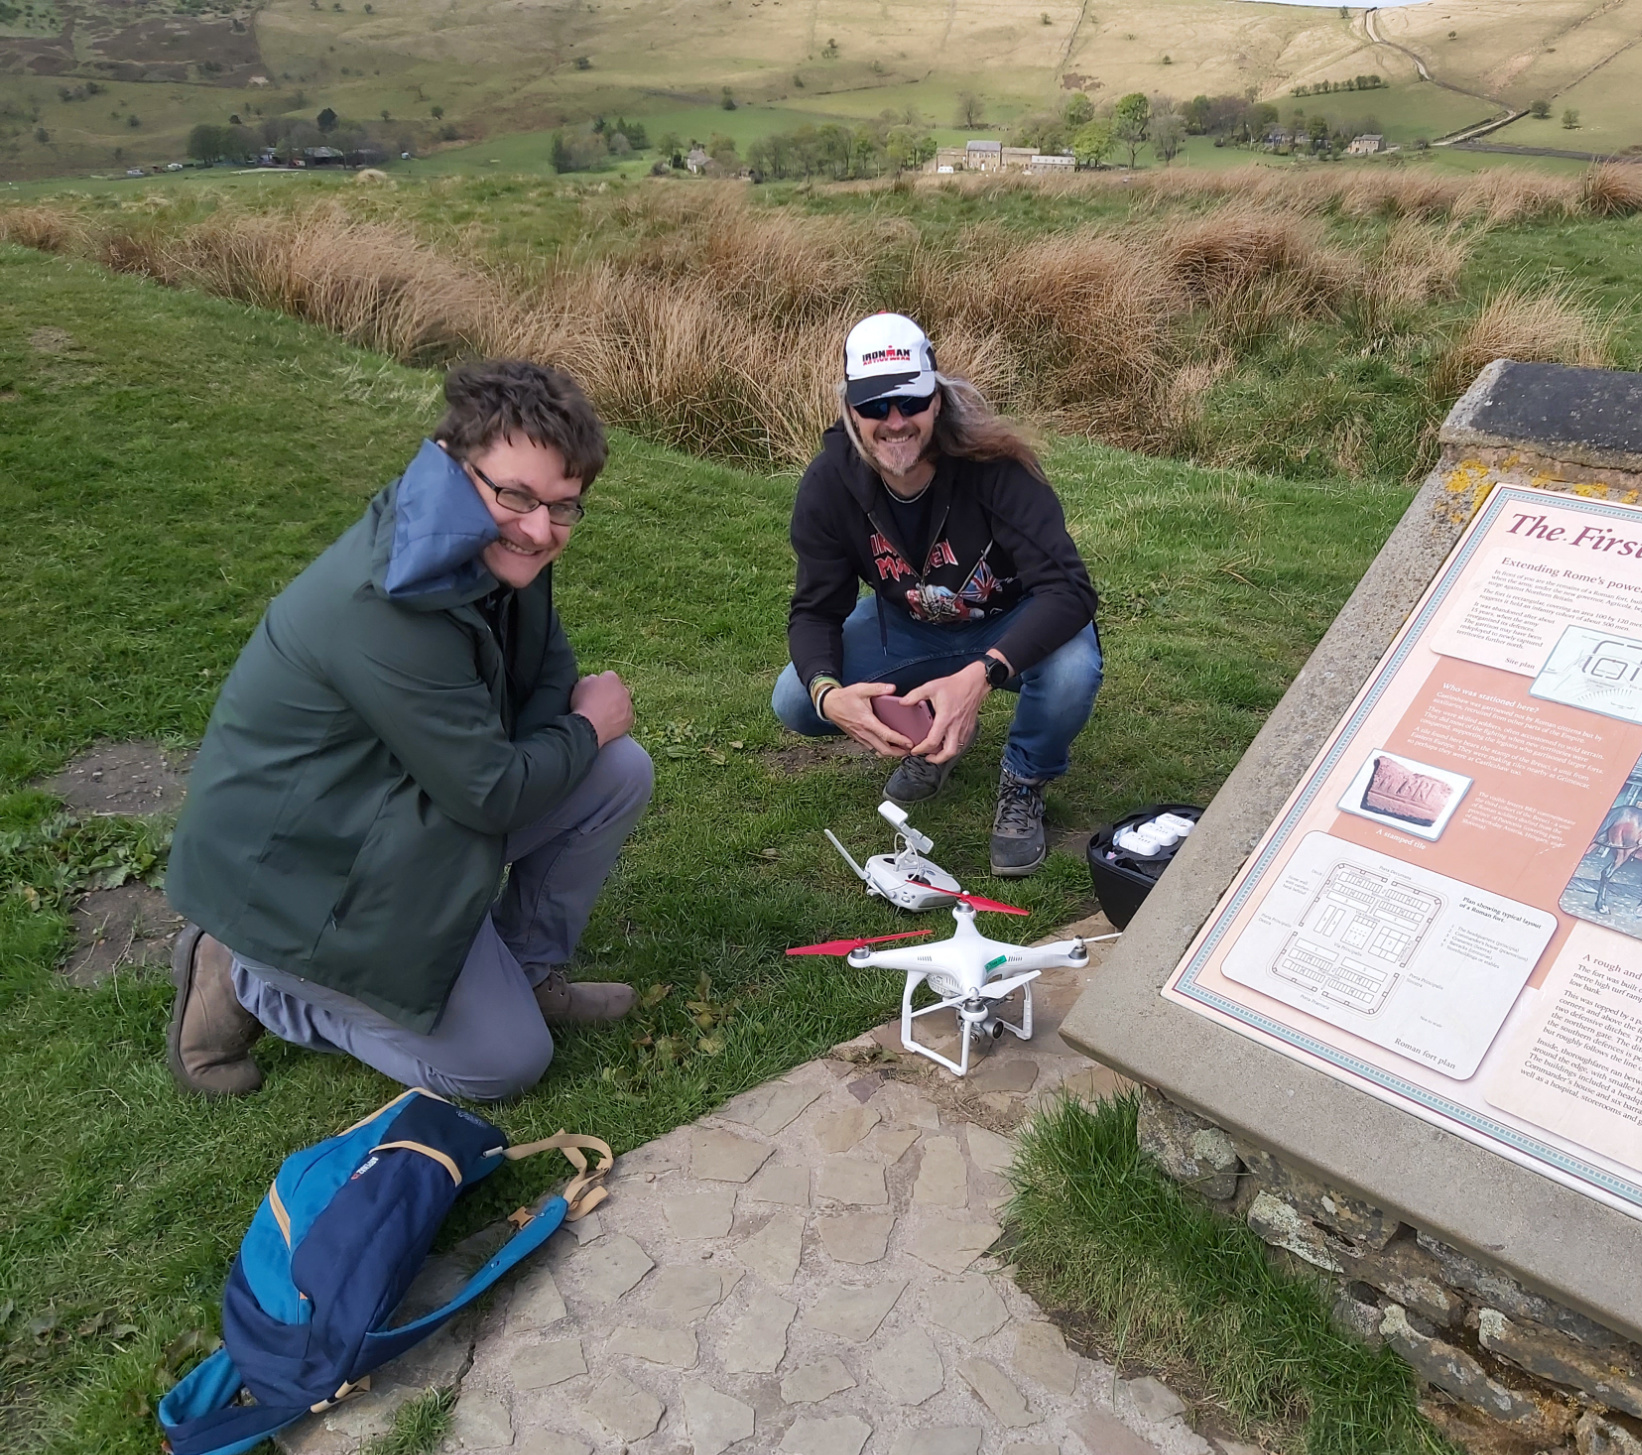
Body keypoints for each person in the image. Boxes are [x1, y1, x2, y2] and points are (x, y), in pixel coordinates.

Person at [164, 361, 654, 1100]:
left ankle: (525, 971)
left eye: (564, 506)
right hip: (301, 877)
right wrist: (587, 725)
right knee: (502, 1063)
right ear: (455, 464)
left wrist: (570, 731)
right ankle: (250, 978)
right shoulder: (386, 601)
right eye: (516, 495)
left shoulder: (491, 549)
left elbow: (547, 680)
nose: (539, 528)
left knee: (619, 772)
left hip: (394, 814)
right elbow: (492, 792)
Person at [772, 313, 1101, 876]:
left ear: (937, 399)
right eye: (874, 407)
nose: (894, 422)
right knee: (796, 699)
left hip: (1011, 621)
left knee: (1072, 671)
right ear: (850, 410)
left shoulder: (997, 468)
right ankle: (928, 737)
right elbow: (815, 610)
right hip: (910, 626)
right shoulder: (830, 483)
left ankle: (1024, 778)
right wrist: (830, 694)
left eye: (910, 402)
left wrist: (982, 675)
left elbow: (1068, 588)